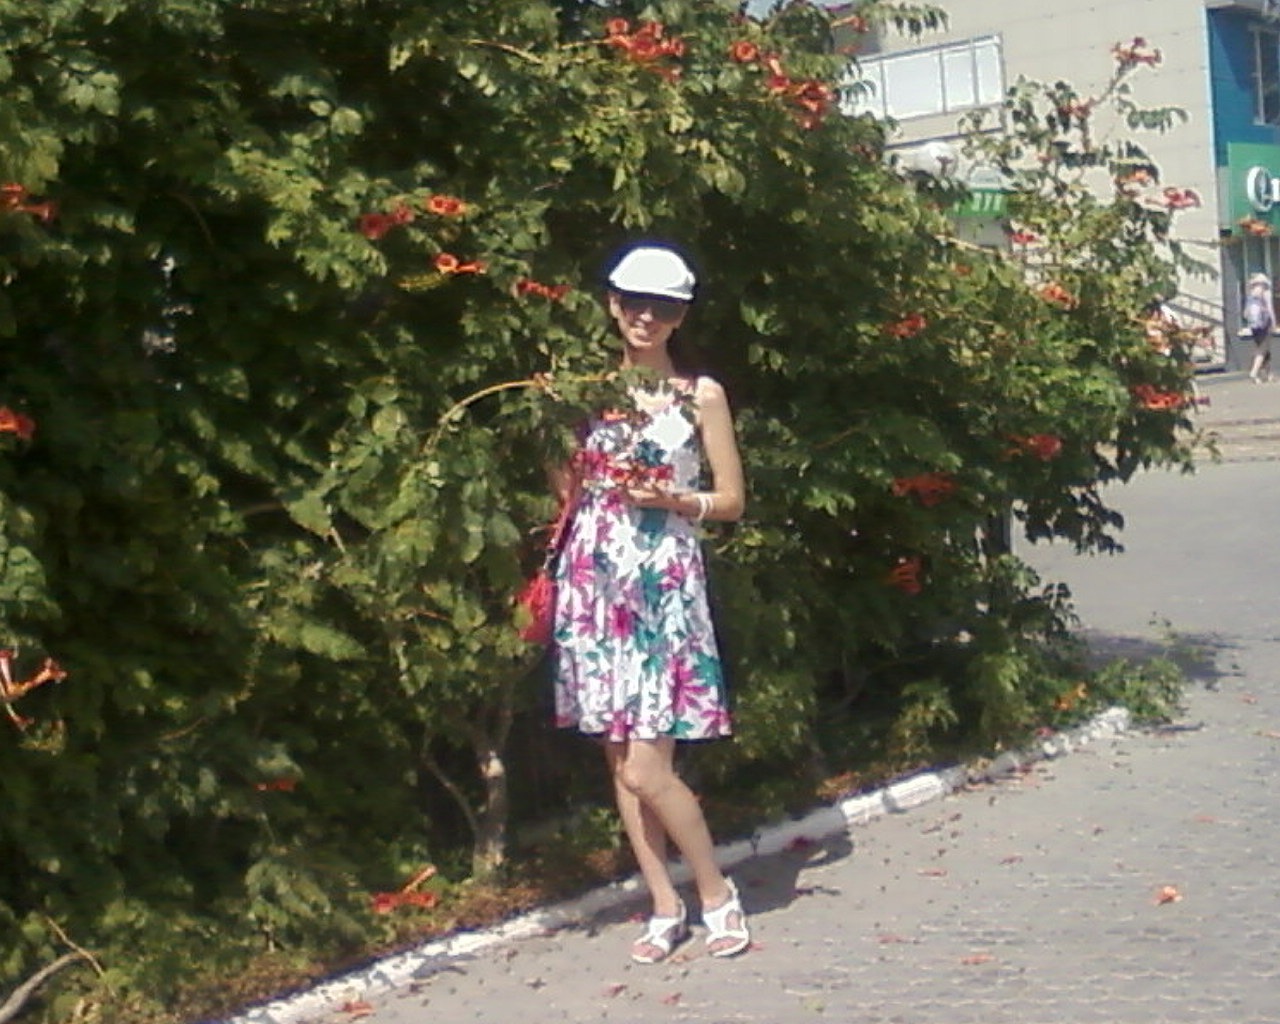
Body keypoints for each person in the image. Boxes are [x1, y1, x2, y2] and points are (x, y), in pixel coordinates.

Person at [550, 243, 751, 963]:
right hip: (596, 584)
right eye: (634, 302)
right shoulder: (583, 393)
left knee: (646, 766)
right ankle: (664, 905)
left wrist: (674, 500)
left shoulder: (700, 396)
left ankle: (716, 894)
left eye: (662, 306)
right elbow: (566, 493)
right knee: (618, 762)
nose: (645, 317)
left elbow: (731, 500)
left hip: (664, 584)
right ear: (612, 305)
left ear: (681, 315)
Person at [1243, 272, 1275, 383]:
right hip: (1264, 324)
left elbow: (1245, 313)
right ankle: (1254, 372)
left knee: (1264, 348)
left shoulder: (1250, 293)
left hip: (1254, 325)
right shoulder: (1266, 292)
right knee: (1262, 350)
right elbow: (1270, 309)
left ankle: (1269, 374)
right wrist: (1274, 322)